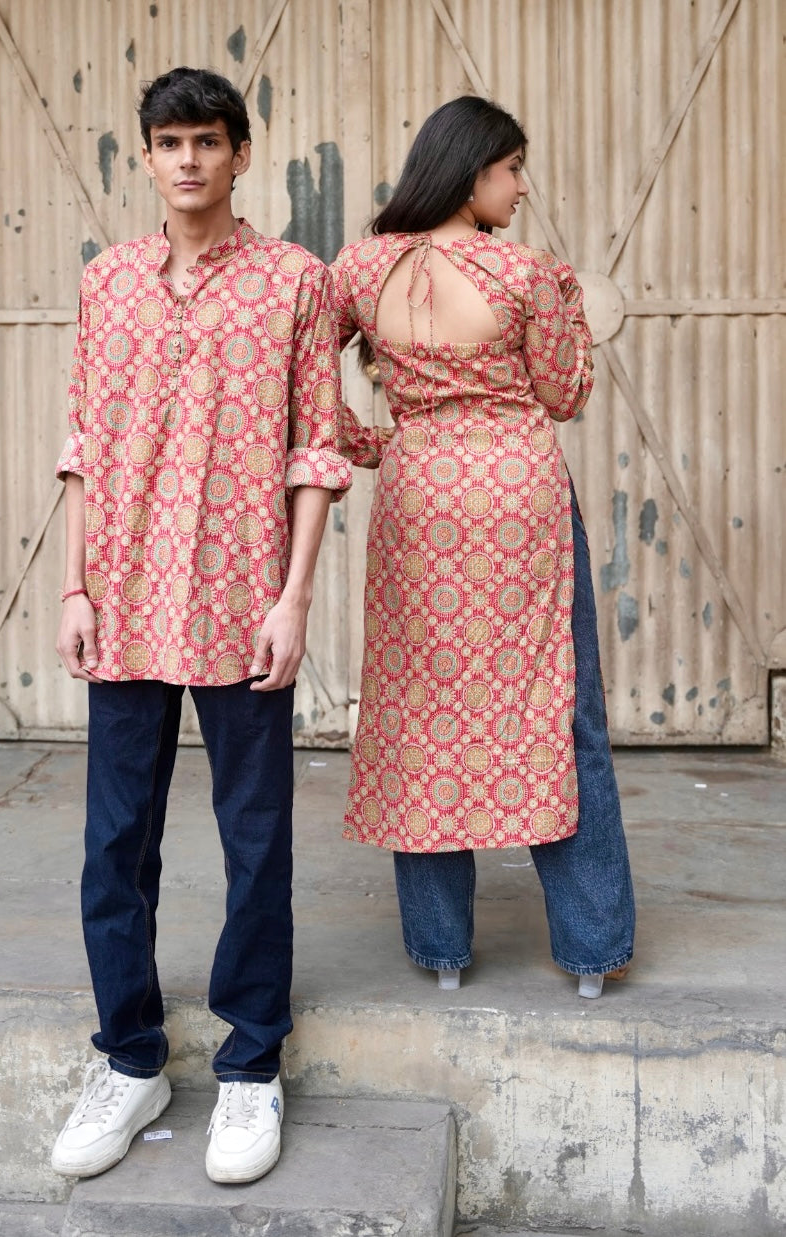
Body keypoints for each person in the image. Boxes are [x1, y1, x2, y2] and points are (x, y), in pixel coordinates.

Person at [51, 67, 350, 1185]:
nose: (188, 160)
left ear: (239, 153)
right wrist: (75, 588)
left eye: (207, 141)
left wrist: (293, 597)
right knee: (113, 845)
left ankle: (251, 1064)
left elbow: (316, 451)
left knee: (256, 840)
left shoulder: (295, 283)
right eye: (169, 142)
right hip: (125, 600)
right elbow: (83, 446)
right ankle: (128, 1059)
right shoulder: (107, 282)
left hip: (241, 602)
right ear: (145, 156)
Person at [330, 96, 634, 996]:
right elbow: (565, 393)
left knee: (419, 713)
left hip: (420, 502)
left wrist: (373, 443)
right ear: (472, 175)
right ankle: (591, 947)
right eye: (512, 169)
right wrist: (569, 307)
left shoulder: (361, 267)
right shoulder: (525, 272)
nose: (522, 187)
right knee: (559, 707)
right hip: (518, 507)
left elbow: (297, 376)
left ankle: (441, 949)